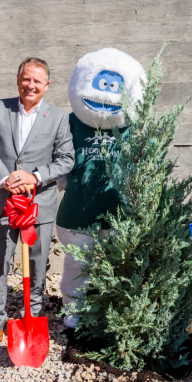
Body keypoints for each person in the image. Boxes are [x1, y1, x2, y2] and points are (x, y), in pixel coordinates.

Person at [0, 57, 75, 355]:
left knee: (37, 267)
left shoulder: (58, 118)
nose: (31, 85)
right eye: (26, 79)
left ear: (47, 85)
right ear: (18, 80)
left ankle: (33, 320)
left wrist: (34, 176)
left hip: (37, 206)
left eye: (37, 81)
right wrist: (4, 179)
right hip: (0, 201)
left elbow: (66, 159)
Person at [55, 48, 146, 331]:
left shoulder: (134, 128)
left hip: (120, 213)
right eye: (101, 84)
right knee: (76, 264)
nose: (106, 95)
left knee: (118, 265)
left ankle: (112, 311)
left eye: (114, 87)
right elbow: (57, 155)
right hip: (77, 211)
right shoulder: (71, 122)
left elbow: (146, 165)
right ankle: (74, 308)